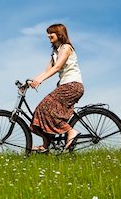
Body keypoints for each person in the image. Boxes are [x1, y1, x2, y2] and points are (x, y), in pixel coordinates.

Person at [27, 23, 84, 152]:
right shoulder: (55, 51)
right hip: (65, 86)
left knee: (46, 107)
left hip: (72, 85)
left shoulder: (66, 48)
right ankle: (46, 144)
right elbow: (47, 69)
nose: (48, 35)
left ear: (59, 34)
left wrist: (40, 80)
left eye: (51, 33)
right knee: (40, 111)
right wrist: (32, 81)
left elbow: (57, 67)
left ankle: (71, 131)